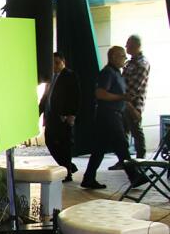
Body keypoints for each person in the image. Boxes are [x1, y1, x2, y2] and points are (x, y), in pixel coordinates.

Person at [82, 46, 149, 190]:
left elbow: (123, 98)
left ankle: (88, 178)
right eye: (122, 56)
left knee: (99, 149)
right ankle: (134, 176)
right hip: (108, 115)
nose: (124, 59)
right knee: (122, 145)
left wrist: (132, 110)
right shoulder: (107, 73)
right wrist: (121, 97)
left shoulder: (117, 73)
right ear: (113, 57)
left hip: (114, 114)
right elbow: (100, 93)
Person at [40, 52, 80, 182]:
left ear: (63, 62)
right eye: (52, 63)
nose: (55, 66)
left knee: (64, 145)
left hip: (63, 117)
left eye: (57, 63)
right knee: (50, 142)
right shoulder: (50, 78)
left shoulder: (69, 75)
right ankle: (68, 166)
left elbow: (76, 96)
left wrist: (71, 114)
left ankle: (67, 172)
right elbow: (45, 98)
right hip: (51, 117)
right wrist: (38, 112)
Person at [122, 34, 150, 160]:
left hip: (134, 102)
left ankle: (141, 159)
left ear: (136, 46)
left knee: (136, 130)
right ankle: (125, 160)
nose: (126, 46)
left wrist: (126, 101)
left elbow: (134, 87)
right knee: (124, 131)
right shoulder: (130, 62)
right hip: (124, 100)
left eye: (129, 44)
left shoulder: (142, 63)